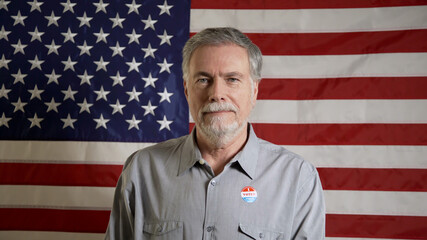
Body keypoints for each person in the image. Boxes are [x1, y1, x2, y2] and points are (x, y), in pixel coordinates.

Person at [105, 27, 325, 239]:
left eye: (232, 79)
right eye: (203, 80)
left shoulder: (298, 179)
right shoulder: (142, 170)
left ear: (254, 90)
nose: (217, 93)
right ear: (186, 90)